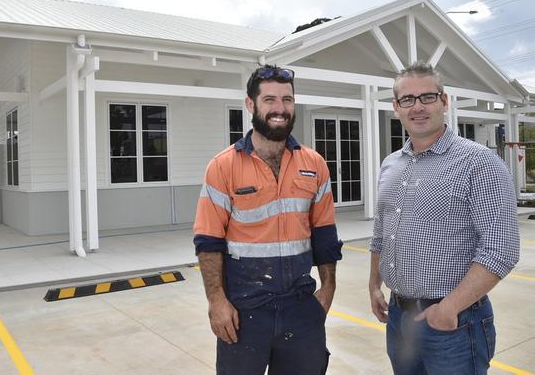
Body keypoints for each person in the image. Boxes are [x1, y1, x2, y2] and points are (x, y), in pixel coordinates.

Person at [369, 61, 520, 375]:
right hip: (399, 318)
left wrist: (448, 308)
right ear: (396, 108)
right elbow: (381, 232)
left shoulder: (479, 163)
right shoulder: (390, 164)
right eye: (407, 100)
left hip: (454, 324)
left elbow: (500, 249)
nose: (418, 107)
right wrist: (374, 286)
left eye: (427, 97)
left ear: (444, 100)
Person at [193, 64, 343, 375]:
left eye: (287, 100)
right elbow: (208, 242)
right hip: (244, 310)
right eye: (270, 100)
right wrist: (217, 301)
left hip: (300, 307)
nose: (280, 108)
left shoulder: (314, 164)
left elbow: (325, 234)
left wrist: (327, 289)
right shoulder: (222, 167)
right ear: (251, 104)